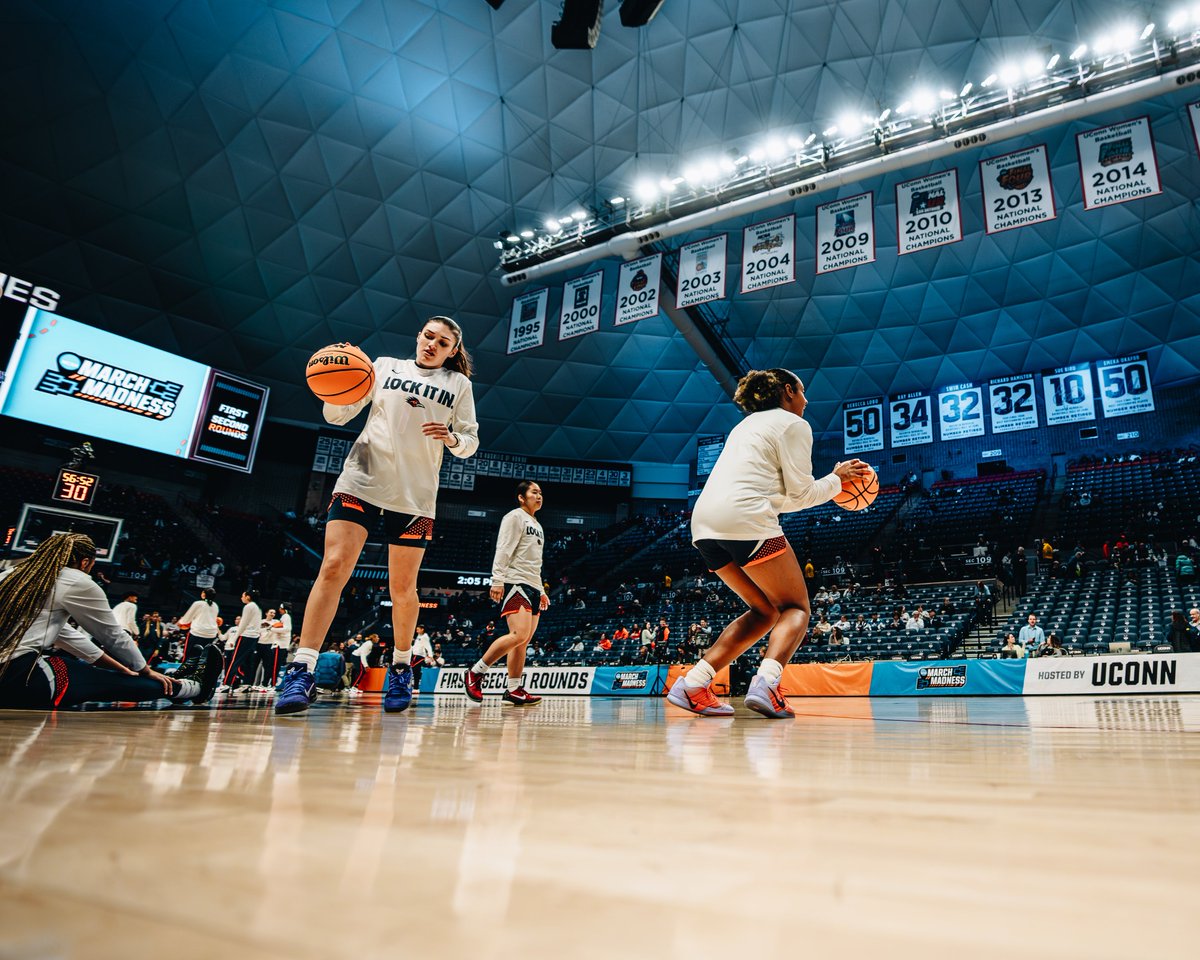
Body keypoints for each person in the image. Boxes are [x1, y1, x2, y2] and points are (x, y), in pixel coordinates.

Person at [275, 317, 478, 716]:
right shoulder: (382, 366)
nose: (432, 344)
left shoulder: (459, 386)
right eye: (428, 336)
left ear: (453, 350)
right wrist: (336, 380)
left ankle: (401, 668)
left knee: (403, 589)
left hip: (414, 495)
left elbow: (469, 442)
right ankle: (301, 669)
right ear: (418, 336)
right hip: (361, 480)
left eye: (443, 342)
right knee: (333, 568)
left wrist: (453, 437)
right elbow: (337, 417)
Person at [668, 368, 870, 718]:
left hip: (704, 525)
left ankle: (693, 684)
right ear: (788, 391)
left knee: (764, 612)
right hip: (745, 519)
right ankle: (767, 683)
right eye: (803, 391)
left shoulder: (745, 426)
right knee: (796, 608)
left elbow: (785, 499)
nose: (806, 400)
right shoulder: (794, 424)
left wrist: (832, 484)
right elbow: (803, 493)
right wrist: (836, 481)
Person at [0, 533, 220, 709]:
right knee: (112, 683)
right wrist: (144, 670)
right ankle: (192, 687)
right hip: (16, 676)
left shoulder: (10, 574)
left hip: (9, 673)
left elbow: (67, 636)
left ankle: (175, 682)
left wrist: (124, 667)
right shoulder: (76, 580)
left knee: (110, 676)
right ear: (85, 562)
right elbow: (112, 636)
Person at [464, 481, 549, 706]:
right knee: (518, 634)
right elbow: (503, 548)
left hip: (532, 584)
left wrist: (540, 589)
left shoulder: (537, 524)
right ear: (521, 497)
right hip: (515, 582)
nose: (539, 496)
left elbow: (535, 562)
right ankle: (476, 672)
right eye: (534, 492)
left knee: (523, 641)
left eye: (540, 493)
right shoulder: (514, 517)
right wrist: (497, 580)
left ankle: (513, 689)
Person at [219, 590, 262, 694]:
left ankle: (226, 684)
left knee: (235, 660)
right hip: (253, 638)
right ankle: (247, 685)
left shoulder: (249, 606)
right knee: (247, 662)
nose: (241, 597)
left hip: (245, 636)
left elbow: (243, 624)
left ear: (248, 597)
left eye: (243, 595)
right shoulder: (257, 607)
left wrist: (234, 638)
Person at [177, 589, 221, 665]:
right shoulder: (215, 606)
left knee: (189, 655)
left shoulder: (198, 603)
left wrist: (180, 622)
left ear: (203, 594)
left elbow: (187, 619)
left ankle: (184, 673)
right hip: (211, 635)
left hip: (197, 632)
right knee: (203, 657)